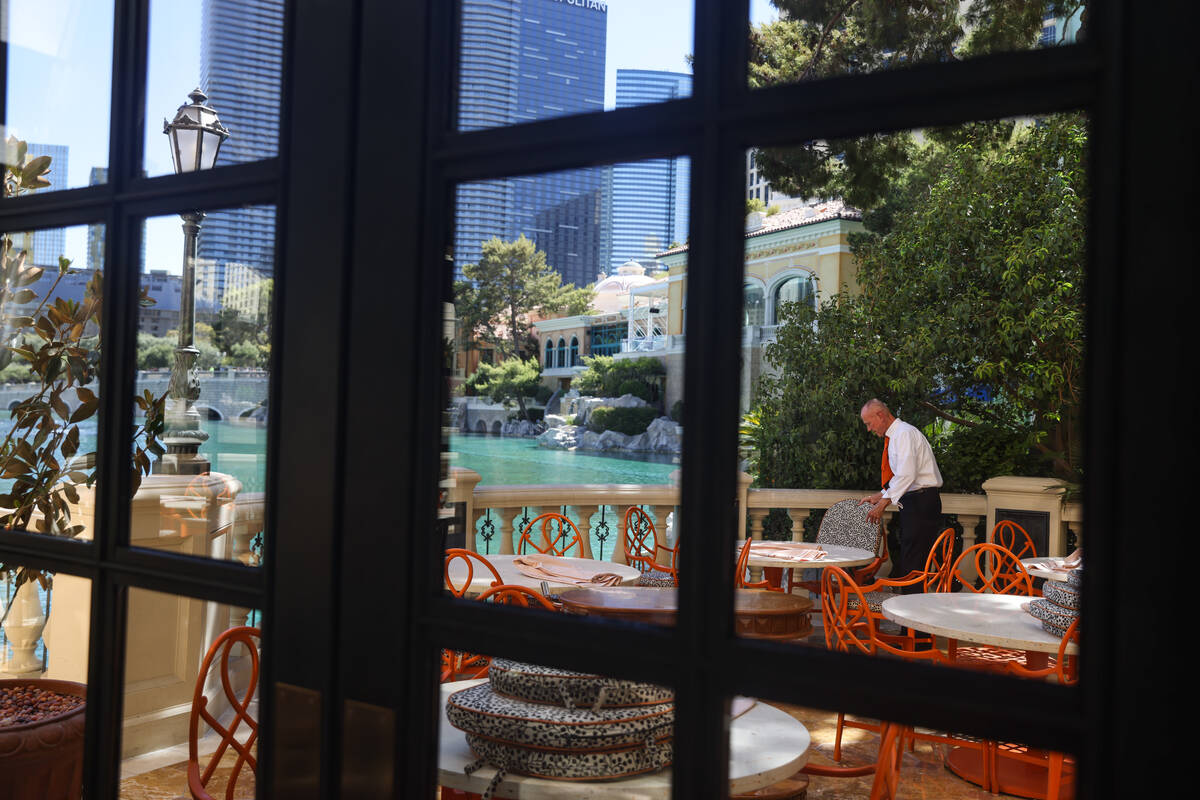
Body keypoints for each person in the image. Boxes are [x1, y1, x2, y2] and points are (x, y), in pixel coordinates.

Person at [858, 399, 943, 593]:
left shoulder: (903, 434)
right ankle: (910, 621)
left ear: (880, 415)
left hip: (921, 503)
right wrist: (879, 496)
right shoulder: (898, 435)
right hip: (916, 502)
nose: (869, 429)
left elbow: (907, 475)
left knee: (914, 565)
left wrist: (883, 505)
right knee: (911, 562)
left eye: (869, 423)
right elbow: (902, 478)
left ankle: (910, 622)